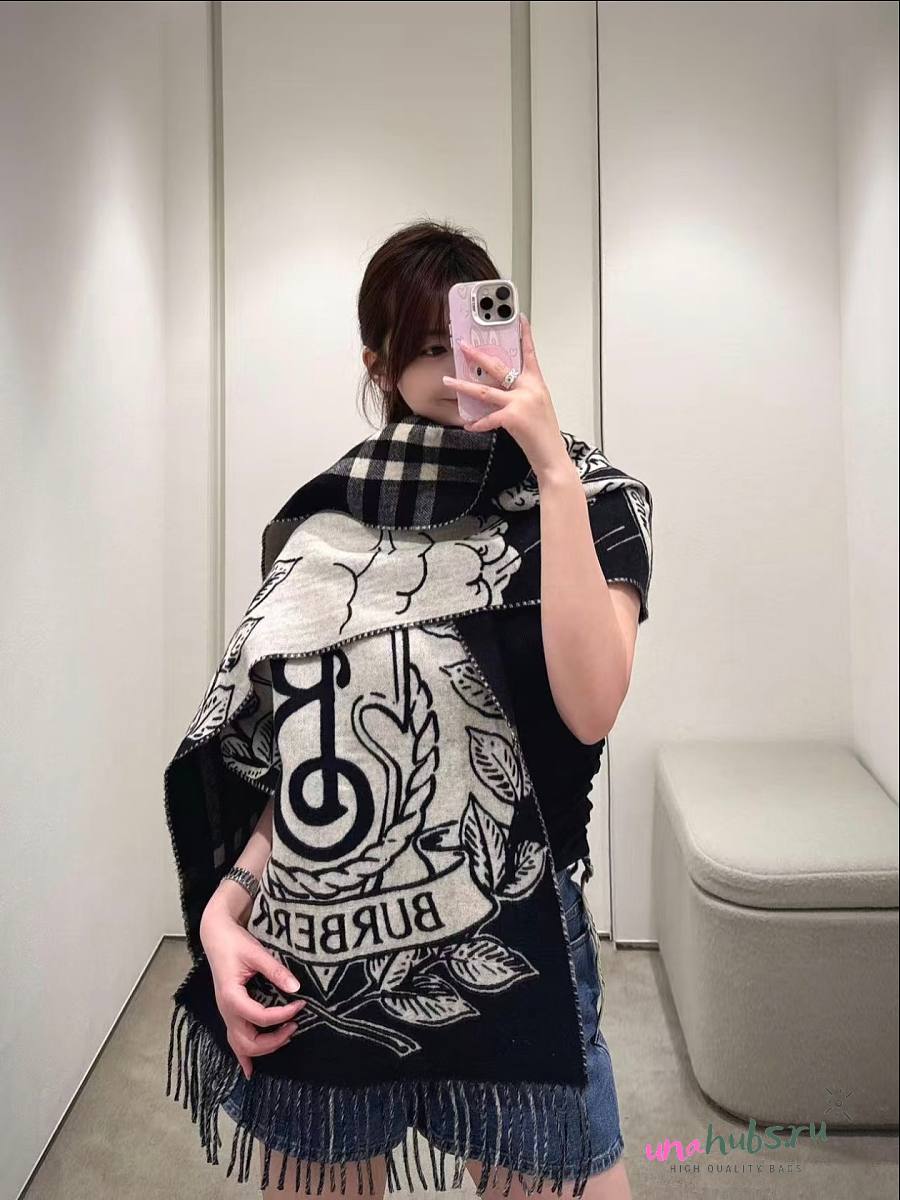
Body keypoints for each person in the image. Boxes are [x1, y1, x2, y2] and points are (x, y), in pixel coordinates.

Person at [188, 219, 651, 1199]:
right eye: (431, 347)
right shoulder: (325, 526)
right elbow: (307, 762)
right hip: (324, 965)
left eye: (475, 335)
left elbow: (591, 706)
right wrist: (228, 906)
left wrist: (550, 468)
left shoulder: (593, 498)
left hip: (518, 946)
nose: (458, 368)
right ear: (379, 364)